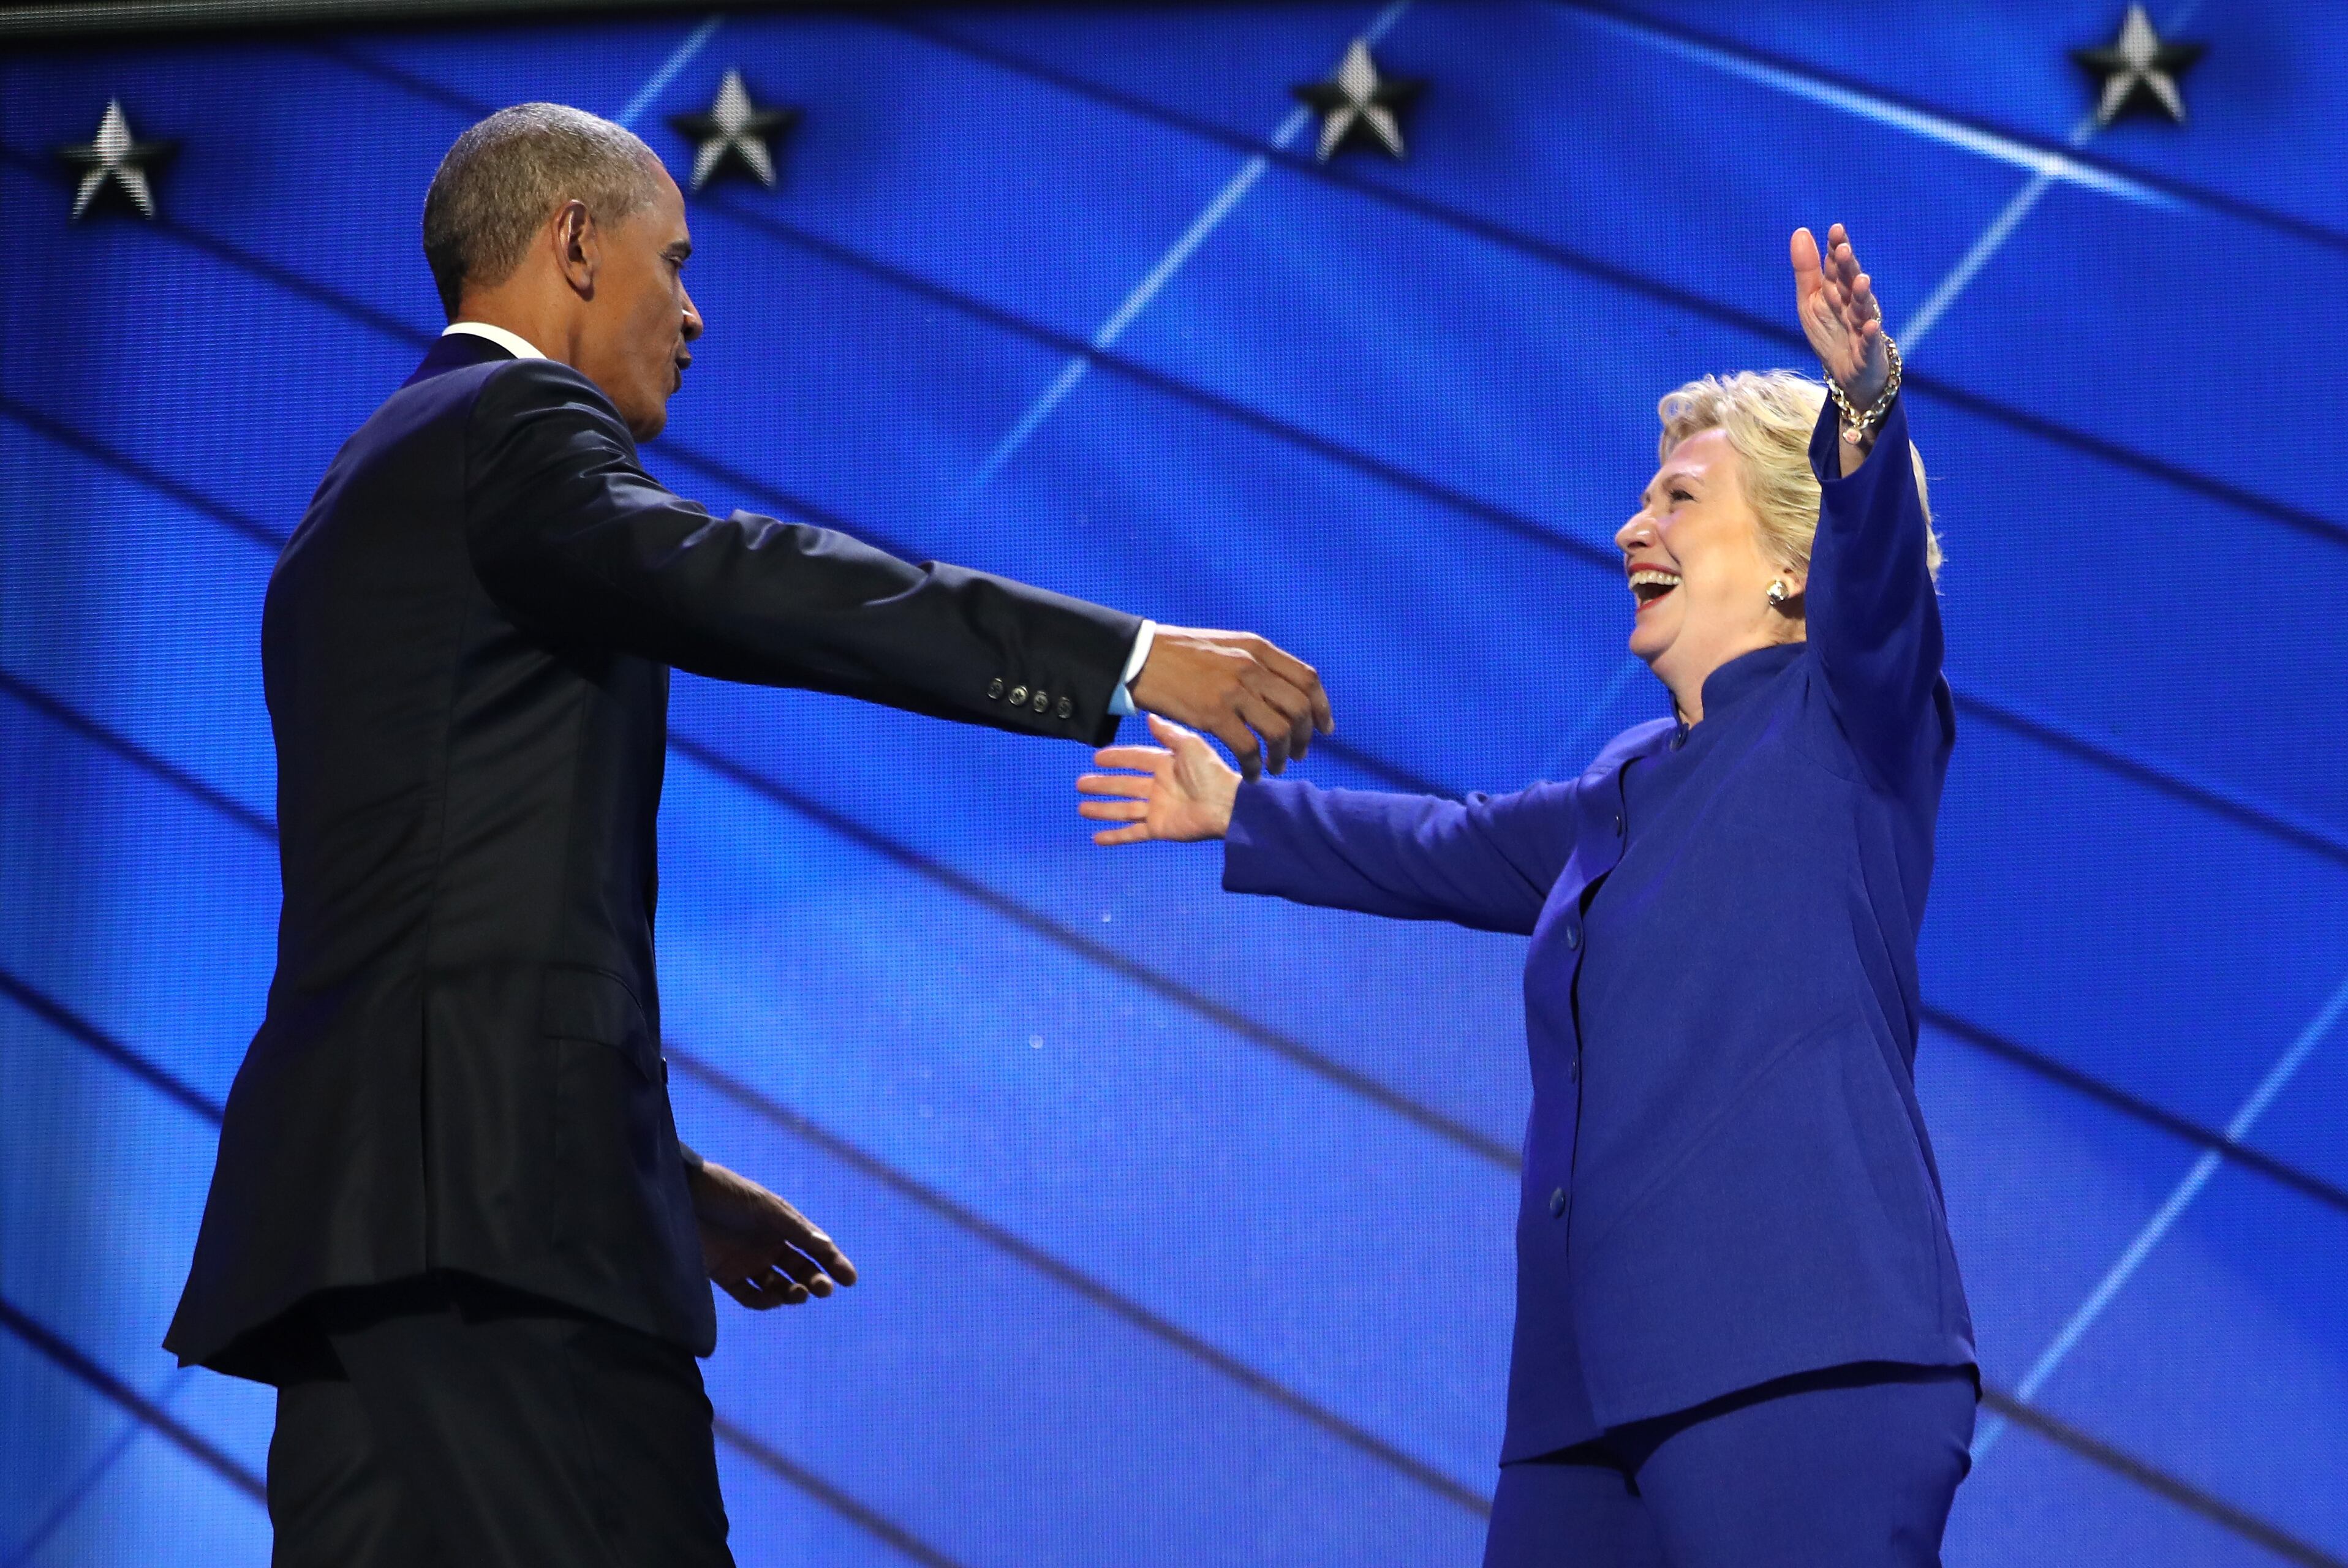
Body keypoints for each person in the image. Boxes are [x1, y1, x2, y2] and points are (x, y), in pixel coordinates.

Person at [162, 102, 1332, 1567]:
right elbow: (746, 579)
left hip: (360, 1239)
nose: (695, 310)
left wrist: (647, 1154)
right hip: (507, 1240)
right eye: (676, 260)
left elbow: (440, 905)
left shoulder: (353, 491)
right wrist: (1126, 655)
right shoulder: (514, 428)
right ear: (574, 244)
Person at [1078, 224, 1976, 1566]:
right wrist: (1239, 808)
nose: (1634, 523)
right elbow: (1452, 843)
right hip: (1581, 1394)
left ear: (1795, 559)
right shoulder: (1627, 785)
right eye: (1644, 498)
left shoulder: (1852, 718)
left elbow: (1883, 582)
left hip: (1800, 1352)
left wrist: (1861, 406)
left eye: (1679, 497)